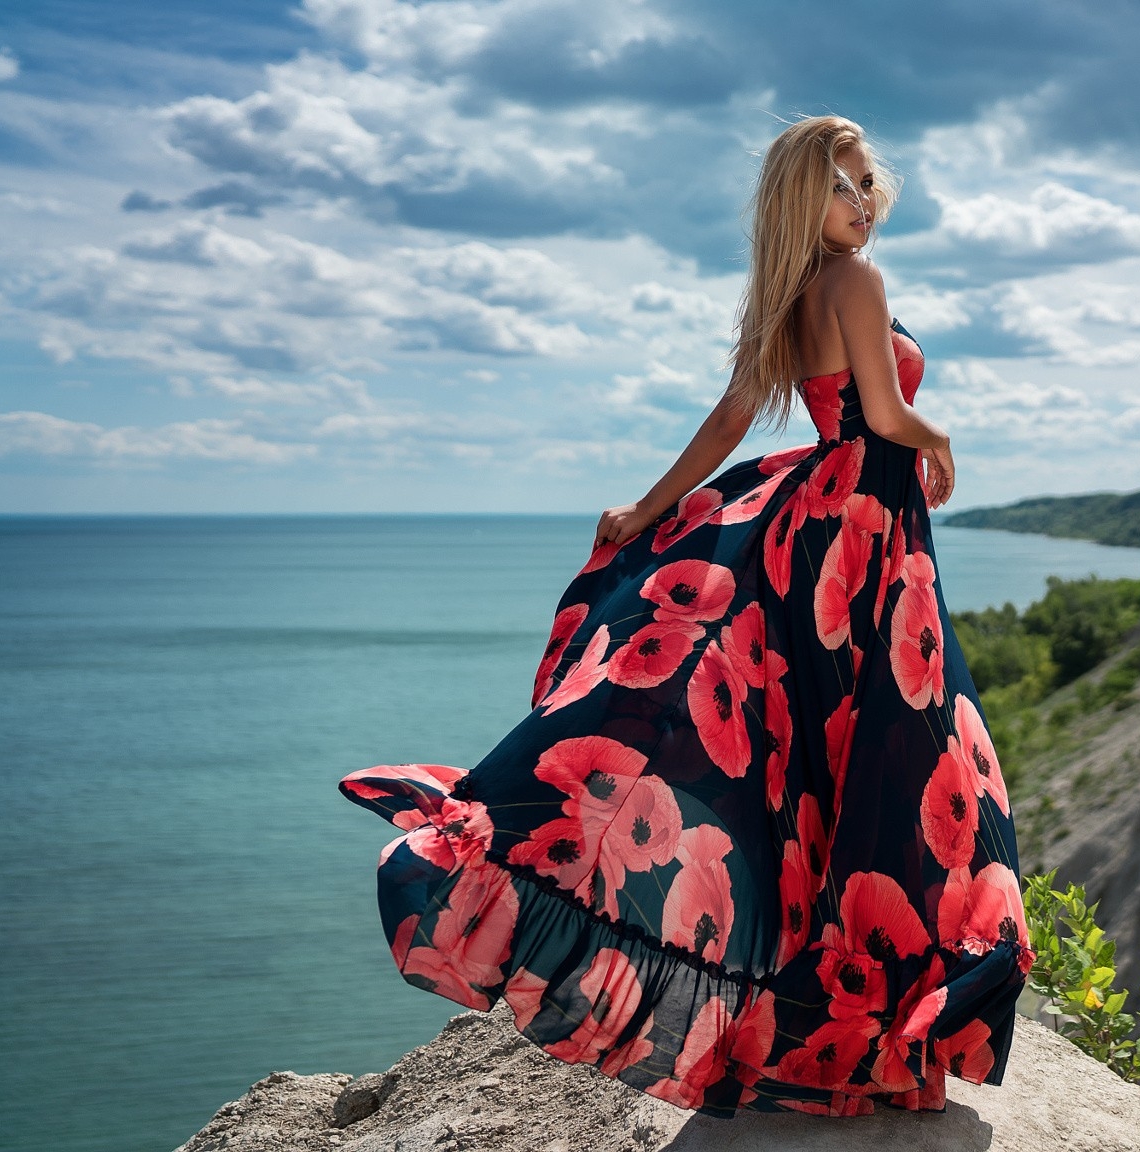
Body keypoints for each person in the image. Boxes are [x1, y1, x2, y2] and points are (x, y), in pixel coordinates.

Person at [338, 114, 1029, 1118]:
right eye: (842, 185)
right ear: (806, 199)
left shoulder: (788, 297)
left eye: (868, 179)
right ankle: (870, 1031)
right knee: (901, 765)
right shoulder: (856, 284)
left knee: (812, 771)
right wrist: (940, 437)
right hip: (864, 540)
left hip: (824, 533)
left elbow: (727, 419)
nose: (862, 198)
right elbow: (883, 417)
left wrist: (647, 511)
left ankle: (823, 1023)